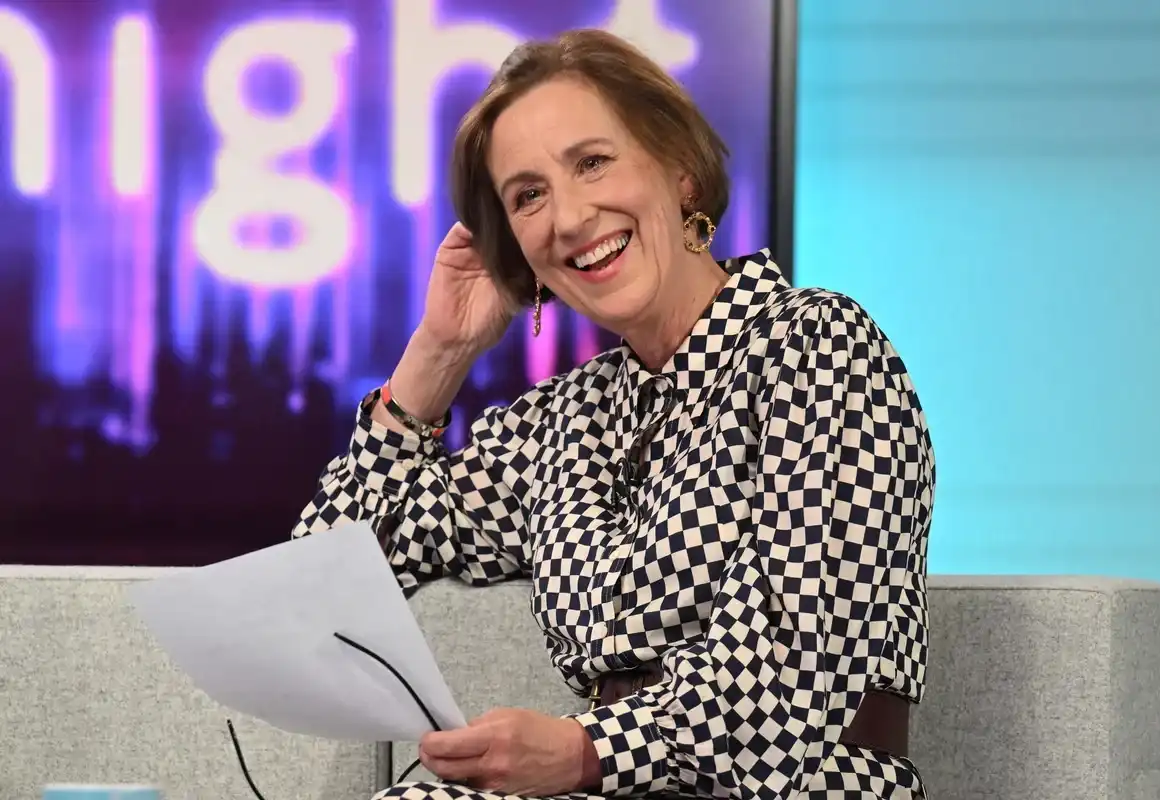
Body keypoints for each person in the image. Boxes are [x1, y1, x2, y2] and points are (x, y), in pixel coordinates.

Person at [293, 28, 935, 800]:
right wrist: (438, 353)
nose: (566, 218)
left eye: (592, 162)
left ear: (681, 174)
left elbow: (785, 689)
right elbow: (321, 590)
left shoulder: (818, 349)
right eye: (528, 196)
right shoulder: (561, 424)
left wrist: (580, 751)